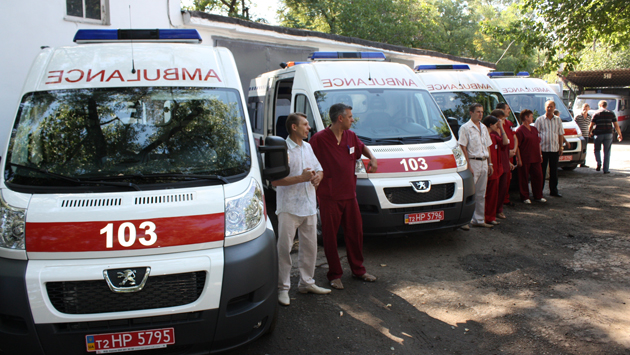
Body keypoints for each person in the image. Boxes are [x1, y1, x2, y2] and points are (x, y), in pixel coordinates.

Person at [310, 103, 378, 290]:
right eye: (350, 116)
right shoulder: (319, 139)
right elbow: (309, 159)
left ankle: (359, 270)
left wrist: (371, 157)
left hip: (349, 194)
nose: (352, 119)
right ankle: (335, 274)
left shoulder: (351, 136)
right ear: (340, 118)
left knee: (355, 233)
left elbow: (362, 147)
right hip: (329, 196)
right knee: (331, 237)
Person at [272, 113, 330, 306]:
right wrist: (302, 178)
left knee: (310, 248)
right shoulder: (282, 149)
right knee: (284, 249)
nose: (309, 128)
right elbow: (275, 181)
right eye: (305, 124)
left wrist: (318, 177)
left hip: (309, 206)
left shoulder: (308, 147)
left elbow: (319, 169)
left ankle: (306, 282)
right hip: (289, 207)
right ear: (294, 127)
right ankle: (283, 288)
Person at [458, 103, 494, 229]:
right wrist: (468, 165)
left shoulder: (483, 127)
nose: (480, 114)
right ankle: (464, 221)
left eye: (482, 112)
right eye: (478, 111)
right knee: (469, 193)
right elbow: (462, 146)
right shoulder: (465, 128)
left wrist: (490, 163)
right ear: (471, 113)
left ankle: (478, 219)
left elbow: (487, 146)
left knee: (481, 193)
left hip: (483, 161)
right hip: (473, 161)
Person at [535, 100, 566, 197]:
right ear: (545, 108)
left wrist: (561, 146)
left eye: (551, 106)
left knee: (554, 171)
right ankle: (540, 191)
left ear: (554, 108)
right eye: (548, 106)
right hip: (543, 149)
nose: (549, 108)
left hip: (554, 149)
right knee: (542, 172)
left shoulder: (558, 120)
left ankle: (554, 190)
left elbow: (560, 134)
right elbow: (535, 136)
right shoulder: (539, 120)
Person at [516, 110, 545, 203]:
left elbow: (538, 142)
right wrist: (519, 159)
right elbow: (517, 146)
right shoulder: (520, 130)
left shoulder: (534, 129)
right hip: (525, 157)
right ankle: (525, 196)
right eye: (531, 116)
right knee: (523, 177)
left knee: (538, 176)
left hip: (535, 157)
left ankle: (538, 195)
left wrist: (540, 154)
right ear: (526, 117)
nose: (533, 118)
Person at [483, 115, 507, 225]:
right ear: (491, 125)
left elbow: (505, 142)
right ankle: (483, 216)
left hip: (496, 170)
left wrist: (502, 128)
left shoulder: (494, 136)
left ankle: (490, 216)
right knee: (483, 194)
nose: (498, 126)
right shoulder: (484, 136)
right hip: (487, 168)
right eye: (497, 125)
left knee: (493, 195)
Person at [490, 109, 514, 220]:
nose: (504, 121)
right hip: (496, 163)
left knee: (503, 187)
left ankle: (499, 209)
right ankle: (492, 211)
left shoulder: (503, 130)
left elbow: (507, 144)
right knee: (495, 189)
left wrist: (508, 161)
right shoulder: (493, 132)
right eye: (502, 119)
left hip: (504, 162)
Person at [588, 100, 623, 174]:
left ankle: (599, 162)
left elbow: (591, 125)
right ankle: (606, 169)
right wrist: (619, 134)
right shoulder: (611, 113)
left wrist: (589, 132)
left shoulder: (596, 113)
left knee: (597, 149)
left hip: (598, 134)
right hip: (608, 134)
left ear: (600, 105)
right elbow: (616, 125)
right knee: (607, 152)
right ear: (606, 106)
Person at [495, 103, 520, 207]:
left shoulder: (509, 123)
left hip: (511, 155)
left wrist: (514, 149)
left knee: (508, 179)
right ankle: (500, 201)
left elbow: (514, 137)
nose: (509, 111)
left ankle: (506, 198)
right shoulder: (497, 124)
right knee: (501, 180)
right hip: (503, 155)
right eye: (508, 109)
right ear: (501, 110)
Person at [574, 103, 592, 168]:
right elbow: (575, 124)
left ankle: (583, 163)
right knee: (580, 148)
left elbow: (589, 124)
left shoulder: (589, 116)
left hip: (586, 135)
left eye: (587, 108)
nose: (585, 110)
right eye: (584, 108)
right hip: (580, 135)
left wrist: (590, 132)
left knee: (585, 149)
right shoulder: (578, 116)